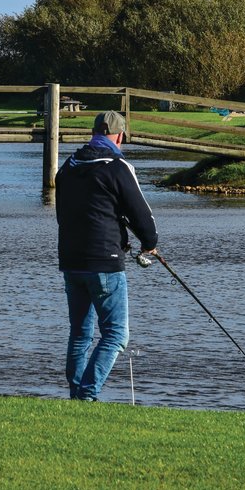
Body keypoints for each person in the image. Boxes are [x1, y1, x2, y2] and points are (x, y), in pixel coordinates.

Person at [56, 111, 158, 401]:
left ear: (93, 133)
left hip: (71, 261)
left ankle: (76, 396)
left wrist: (121, 237)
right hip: (104, 263)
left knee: (80, 335)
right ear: (120, 136)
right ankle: (87, 395)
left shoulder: (68, 166)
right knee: (115, 336)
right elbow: (142, 215)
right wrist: (149, 243)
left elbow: (67, 215)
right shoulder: (117, 167)